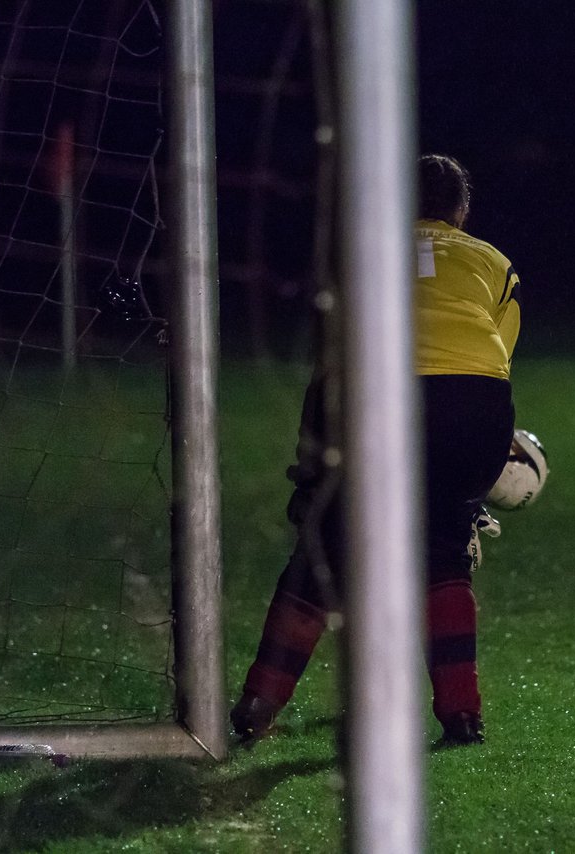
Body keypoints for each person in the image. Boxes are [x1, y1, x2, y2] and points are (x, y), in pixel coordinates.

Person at [230, 154, 520, 745]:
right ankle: (462, 714)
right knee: (443, 555)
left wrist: (313, 470)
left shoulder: (357, 253)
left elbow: (329, 363)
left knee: (322, 551)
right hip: (474, 407)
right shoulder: (494, 262)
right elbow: (494, 363)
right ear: (460, 212)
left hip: (375, 395)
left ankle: (260, 701)